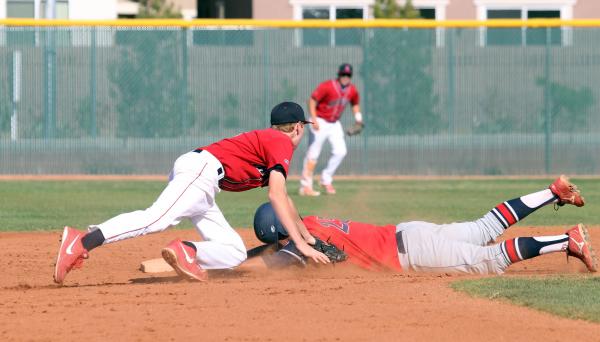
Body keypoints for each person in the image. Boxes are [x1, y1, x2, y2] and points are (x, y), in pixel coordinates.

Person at [53, 101, 331, 285]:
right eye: (301, 128)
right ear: (297, 127)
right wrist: (302, 245)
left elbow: (287, 200)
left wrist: (307, 235)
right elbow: (276, 196)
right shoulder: (281, 144)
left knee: (233, 252)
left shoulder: (271, 142)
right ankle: (82, 241)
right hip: (203, 171)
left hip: (205, 182)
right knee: (157, 219)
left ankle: (187, 251)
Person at [249, 175, 597, 274]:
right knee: (484, 227)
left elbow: (273, 260)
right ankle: (551, 193)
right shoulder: (307, 222)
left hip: (414, 252)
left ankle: (566, 241)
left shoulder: (300, 246)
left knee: (487, 260)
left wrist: (227, 267)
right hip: (408, 231)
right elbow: (277, 246)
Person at [299, 63, 363, 196]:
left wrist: (358, 118)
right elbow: (312, 100)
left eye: (348, 75)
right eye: (343, 74)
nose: (345, 77)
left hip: (334, 123)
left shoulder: (352, 90)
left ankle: (325, 179)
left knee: (341, 151)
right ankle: (305, 187)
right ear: (339, 74)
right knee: (313, 154)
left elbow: (355, 103)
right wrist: (314, 118)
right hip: (320, 120)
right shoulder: (328, 86)